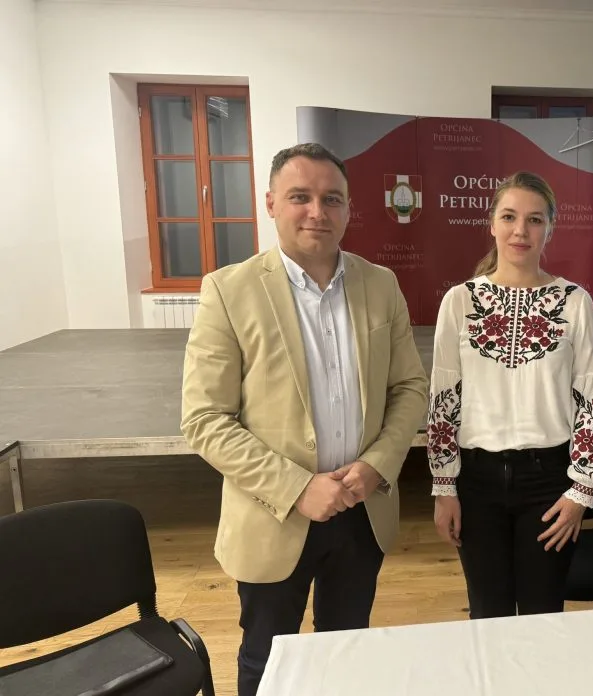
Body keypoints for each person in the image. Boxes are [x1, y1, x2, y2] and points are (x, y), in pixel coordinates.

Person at [181, 143, 428, 695]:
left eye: (331, 199)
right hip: (273, 516)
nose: (317, 211)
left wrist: (377, 464)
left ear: (349, 208)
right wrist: (297, 488)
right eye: (300, 197)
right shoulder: (229, 291)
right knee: (268, 662)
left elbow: (410, 387)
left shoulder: (380, 285)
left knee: (345, 653)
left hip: (361, 510)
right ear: (271, 203)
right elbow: (204, 418)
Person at [426, 171, 593, 618]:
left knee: (543, 613)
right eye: (509, 217)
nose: (520, 231)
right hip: (477, 482)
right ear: (491, 223)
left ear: (550, 228)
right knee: (488, 613)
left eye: (534, 220)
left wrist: (581, 491)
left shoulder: (575, 302)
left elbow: (589, 400)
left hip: (549, 482)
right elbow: (444, 399)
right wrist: (444, 487)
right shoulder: (459, 302)